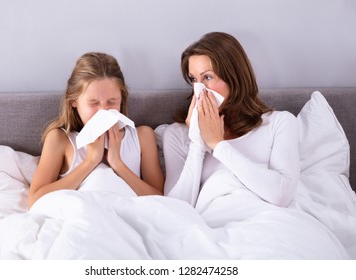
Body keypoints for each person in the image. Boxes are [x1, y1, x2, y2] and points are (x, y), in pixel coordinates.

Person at [163, 32, 299, 208]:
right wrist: (197, 143)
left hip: (267, 221)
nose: (200, 89)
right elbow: (174, 210)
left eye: (208, 77)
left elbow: (281, 195)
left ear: (234, 78)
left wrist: (217, 144)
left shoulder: (279, 123)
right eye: (194, 79)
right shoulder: (177, 134)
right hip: (215, 227)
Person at [28, 52, 164, 208]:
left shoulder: (142, 136)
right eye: (93, 103)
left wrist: (118, 164)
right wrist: (90, 161)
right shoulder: (61, 140)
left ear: (122, 100)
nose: (104, 111)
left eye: (112, 102)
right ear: (74, 101)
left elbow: (159, 199)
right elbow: (35, 201)